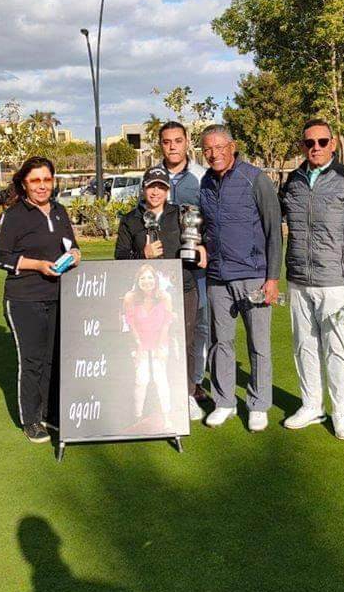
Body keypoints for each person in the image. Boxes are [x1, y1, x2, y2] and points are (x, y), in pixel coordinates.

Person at [280, 118, 344, 440]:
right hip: (299, 279)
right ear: (302, 146)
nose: (316, 147)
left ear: (332, 144)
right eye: (309, 143)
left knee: (336, 347)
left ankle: (341, 411)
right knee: (303, 346)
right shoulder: (292, 181)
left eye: (322, 141)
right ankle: (311, 405)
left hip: (338, 281)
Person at [0, 156, 80, 443]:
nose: (42, 186)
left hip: (57, 296)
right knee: (32, 361)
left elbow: (72, 245)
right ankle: (31, 420)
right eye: (35, 180)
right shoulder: (13, 216)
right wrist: (38, 265)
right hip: (24, 299)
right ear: (24, 184)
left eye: (47, 179)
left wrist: (75, 254)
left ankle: (48, 413)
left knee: (53, 358)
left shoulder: (60, 211)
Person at [199, 125, 282, 432]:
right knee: (221, 342)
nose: (214, 154)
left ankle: (258, 404)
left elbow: (274, 231)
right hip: (217, 277)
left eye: (219, 147)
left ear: (232, 147)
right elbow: (206, 227)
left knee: (258, 344)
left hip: (253, 276)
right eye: (207, 149)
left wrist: (272, 278)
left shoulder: (255, 178)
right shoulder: (206, 181)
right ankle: (224, 402)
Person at [114, 165, 206, 422]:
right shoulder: (131, 219)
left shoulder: (182, 214)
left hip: (182, 288)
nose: (155, 192)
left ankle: (187, 394)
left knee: (185, 343)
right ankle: (150, 398)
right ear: (143, 189)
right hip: (146, 295)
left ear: (167, 190)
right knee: (149, 345)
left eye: (161, 187)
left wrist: (202, 248)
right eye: (151, 187)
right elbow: (120, 258)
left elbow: (201, 237)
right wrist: (142, 254)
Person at [157, 120, 208, 404]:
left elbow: (212, 217)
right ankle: (167, 379)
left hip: (195, 264)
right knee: (163, 323)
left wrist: (205, 246)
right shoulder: (152, 177)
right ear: (161, 145)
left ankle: (195, 380)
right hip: (163, 266)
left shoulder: (202, 176)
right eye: (167, 142)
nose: (172, 147)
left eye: (177, 141)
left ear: (187, 141)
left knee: (199, 323)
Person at [122, 264, 173, 426]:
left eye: (150, 277)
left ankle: (167, 416)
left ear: (155, 280)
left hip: (160, 342)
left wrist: (160, 346)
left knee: (161, 379)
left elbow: (167, 322)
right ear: (137, 281)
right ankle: (137, 416)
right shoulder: (130, 297)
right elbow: (130, 323)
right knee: (141, 380)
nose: (146, 281)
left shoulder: (164, 296)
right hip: (139, 343)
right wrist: (138, 345)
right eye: (142, 278)